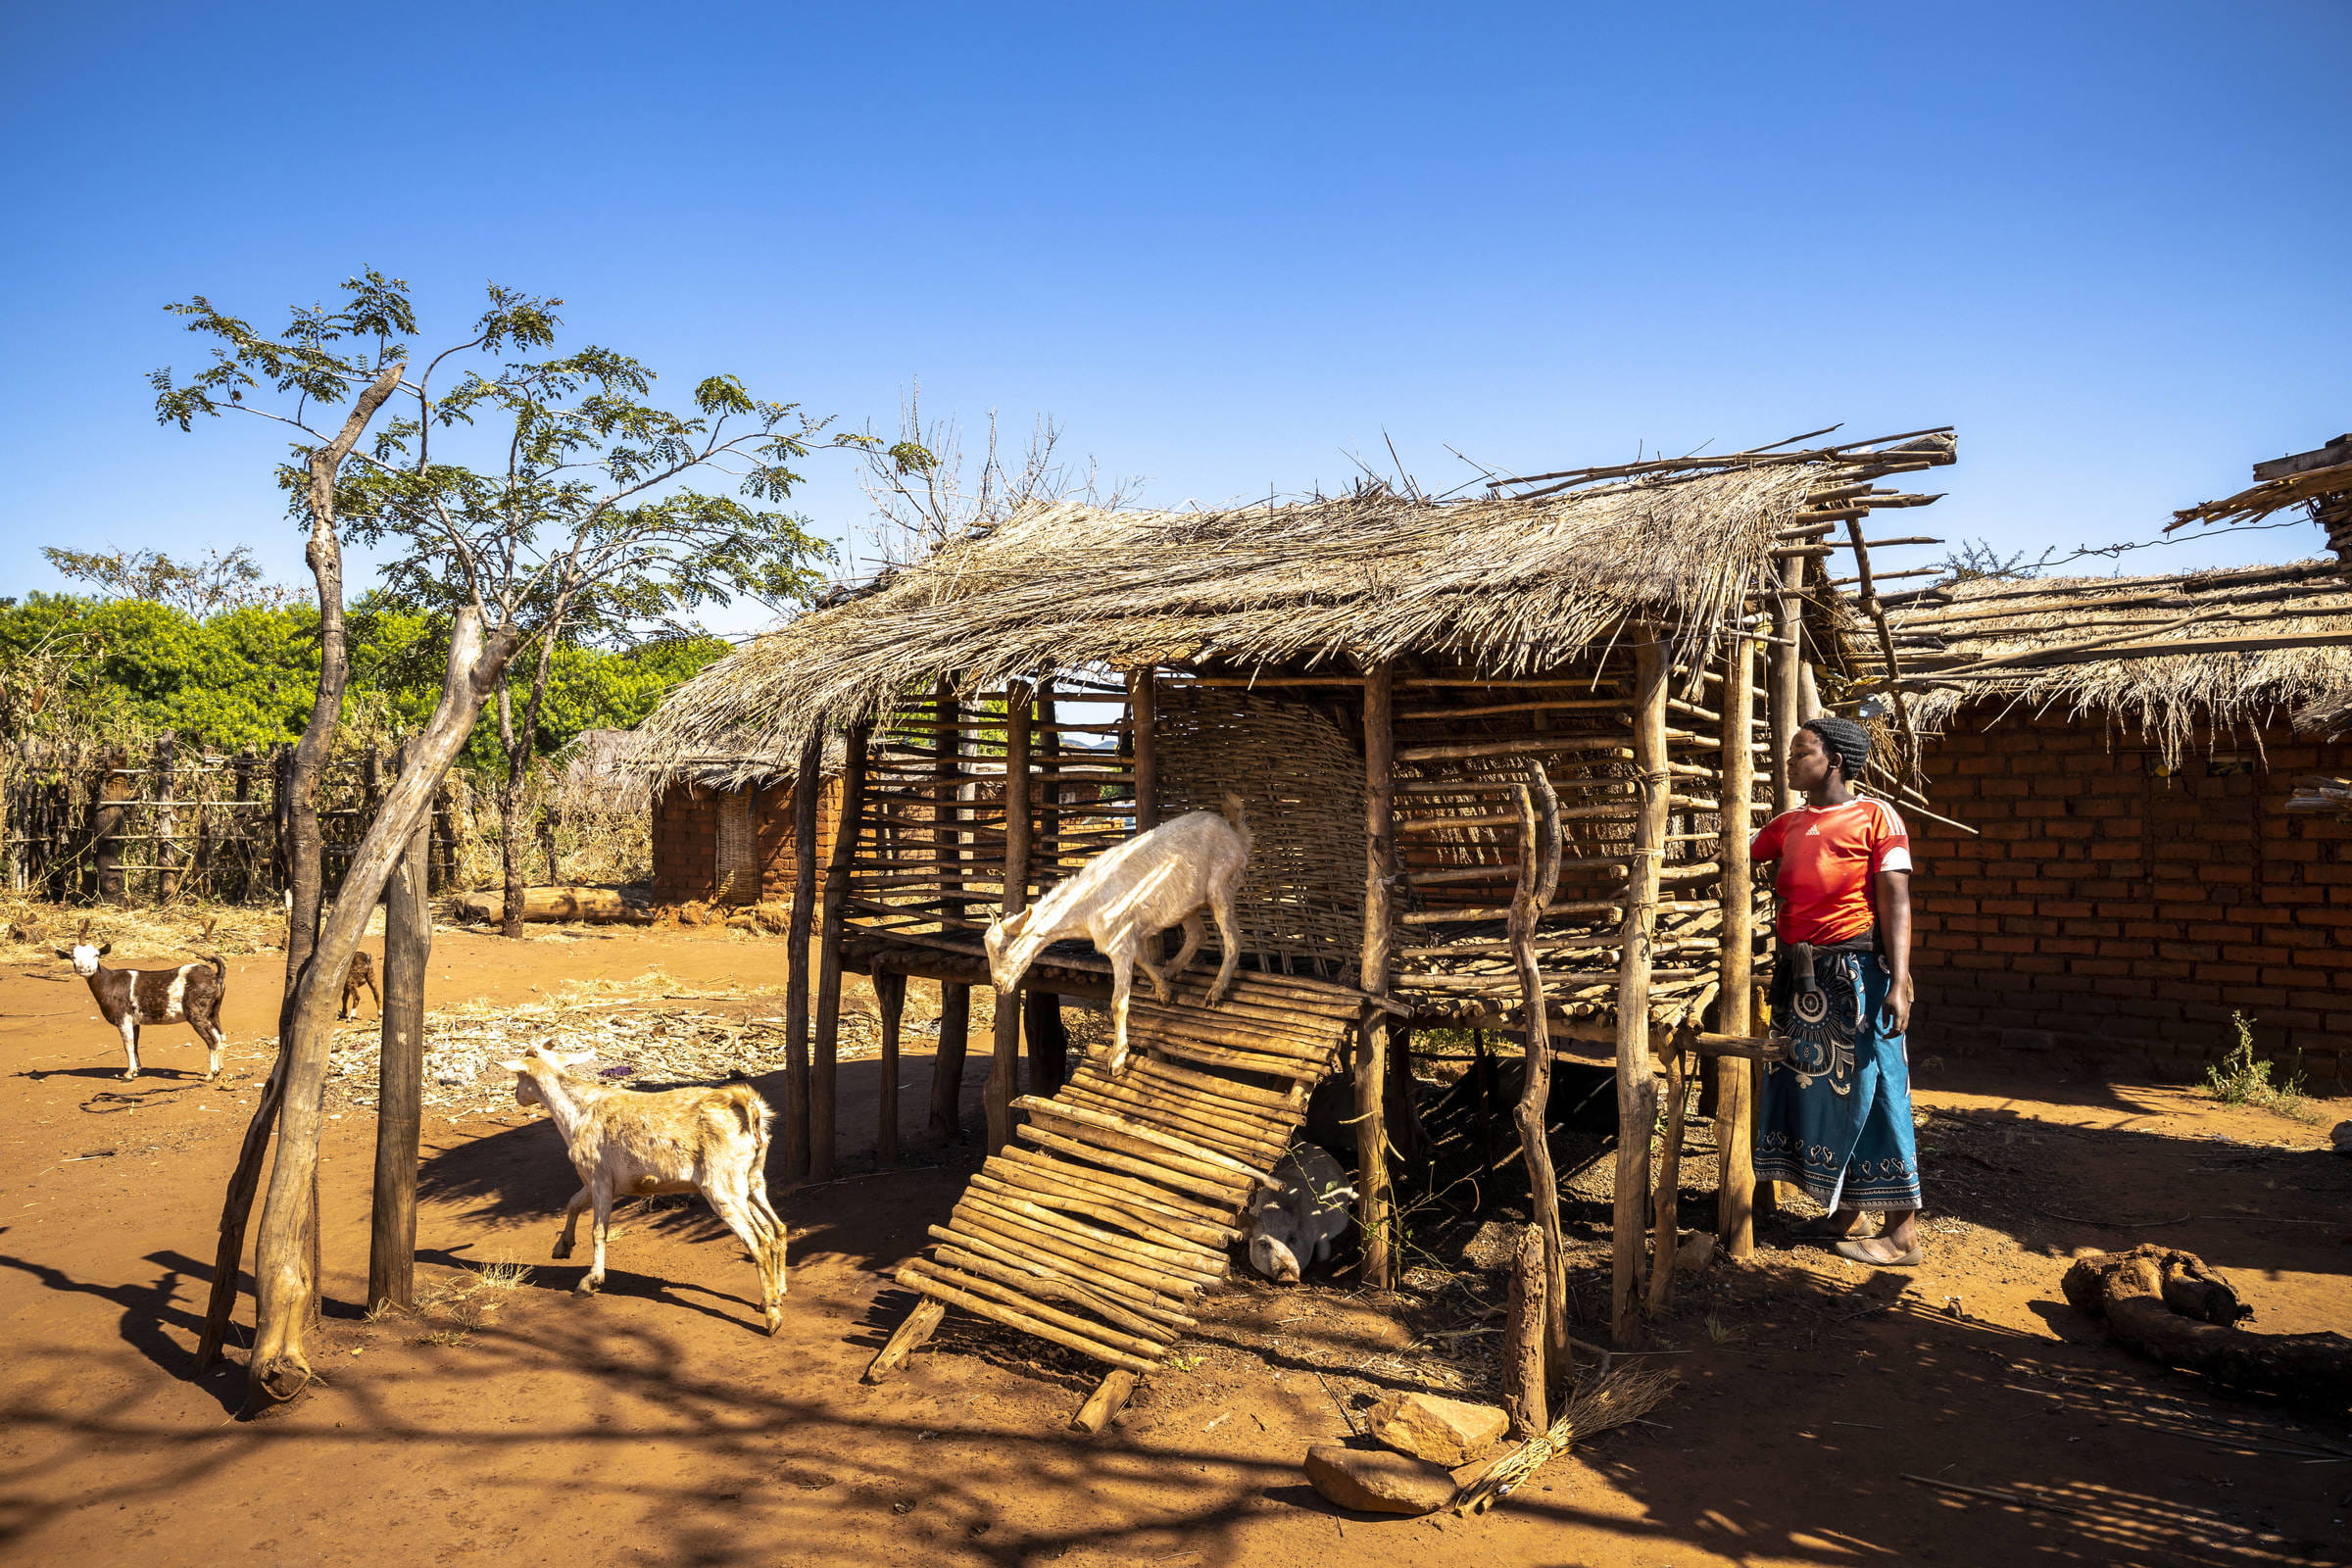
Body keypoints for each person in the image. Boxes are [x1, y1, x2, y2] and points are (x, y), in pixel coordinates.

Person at [1750, 714, 1924, 1266]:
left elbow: (1896, 901)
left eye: (1801, 752)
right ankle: (1847, 1208)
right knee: (1817, 1090)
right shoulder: (1788, 825)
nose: (1790, 760)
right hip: (1804, 979)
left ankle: (1902, 1234)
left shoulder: (1877, 816)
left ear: (1835, 761)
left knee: (1876, 1086)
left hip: (1859, 976)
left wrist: (1900, 979)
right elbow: (1743, 855)